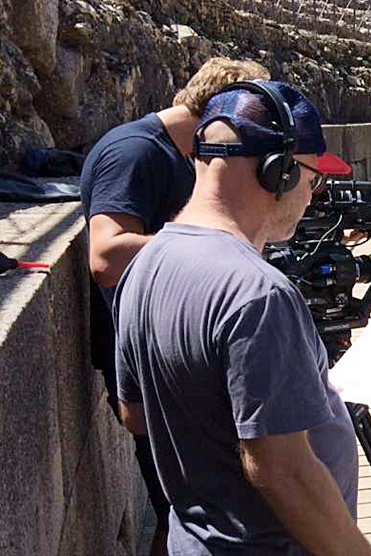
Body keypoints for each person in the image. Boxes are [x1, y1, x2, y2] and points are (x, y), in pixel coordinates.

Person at [113, 79, 371, 555]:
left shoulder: (145, 264)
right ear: (278, 172)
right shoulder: (258, 294)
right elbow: (281, 471)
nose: (313, 195)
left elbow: (135, 414)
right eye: (312, 178)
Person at [78, 57, 270, 556]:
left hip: (168, 354)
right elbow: (105, 255)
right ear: (223, 113)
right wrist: (217, 244)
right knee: (187, 513)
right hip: (150, 362)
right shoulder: (136, 152)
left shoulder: (172, 152)